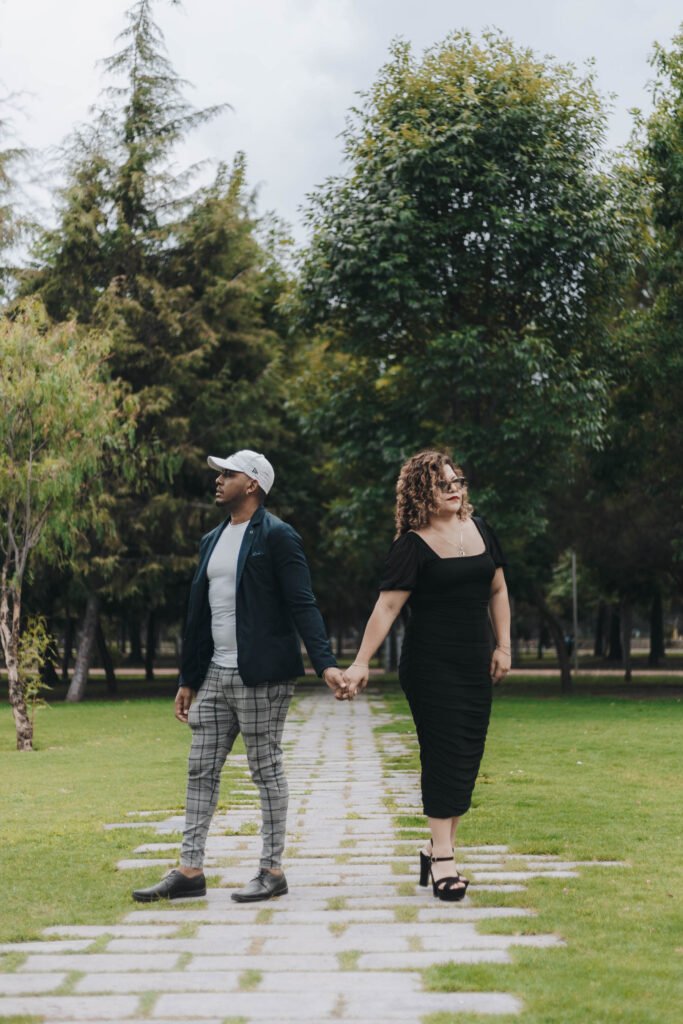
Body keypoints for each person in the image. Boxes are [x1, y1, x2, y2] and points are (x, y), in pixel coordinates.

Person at [133, 449, 346, 905]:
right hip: (214, 674)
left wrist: (326, 663)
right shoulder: (211, 539)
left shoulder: (278, 536)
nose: (218, 480)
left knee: (264, 769)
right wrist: (188, 679)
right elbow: (198, 615)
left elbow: (302, 603)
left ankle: (272, 870)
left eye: (227, 474)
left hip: (262, 676)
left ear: (252, 484)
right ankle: (190, 870)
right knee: (200, 768)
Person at [343, 450, 510, 902]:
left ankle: (435, 847)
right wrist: (361, 662)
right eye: (443, 484)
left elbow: (498, 589)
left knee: (466, 757)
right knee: (443, 755)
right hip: (431, 666)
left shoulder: (482, 530)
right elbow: (387, 607)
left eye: (458, 481)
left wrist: (504, 646)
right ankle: (445, 860)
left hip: (474, 663)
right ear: (422, 493)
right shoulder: (411, 546)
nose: (455, 490)